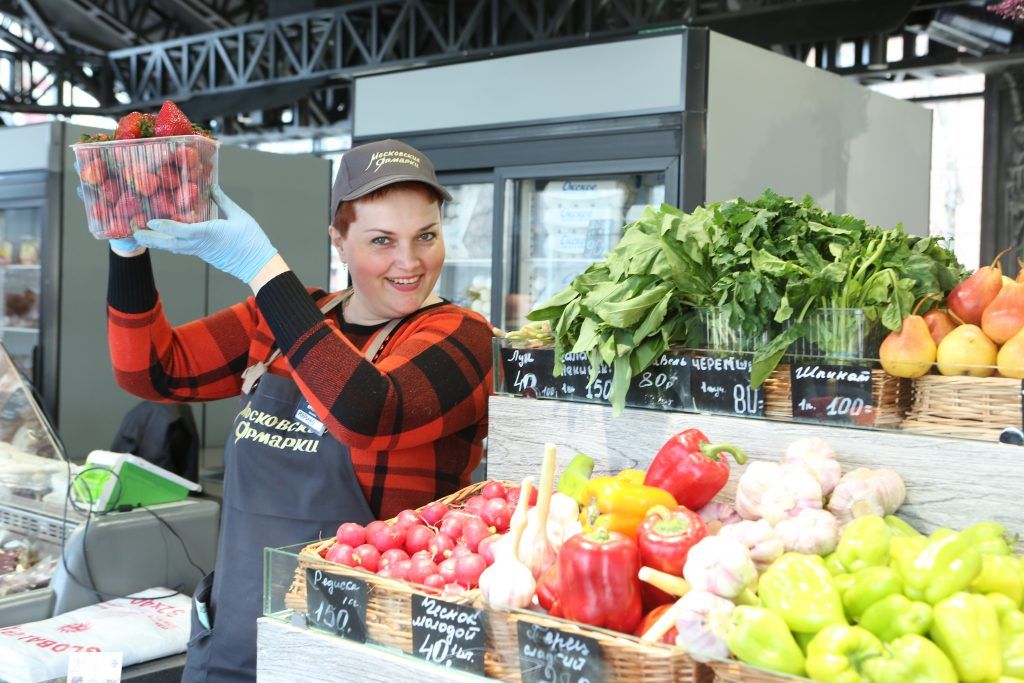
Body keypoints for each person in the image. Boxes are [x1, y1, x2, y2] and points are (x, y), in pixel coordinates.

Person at [102, 139, 494, 682]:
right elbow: (150, 370)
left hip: (365, 649)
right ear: (338, 241)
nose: (410, 262)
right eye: (382, 241)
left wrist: (262, 267)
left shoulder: (459, 335)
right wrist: (127, 254)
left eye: (425, 235)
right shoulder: (291, 317)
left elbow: (367, 410)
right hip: (240, 634)